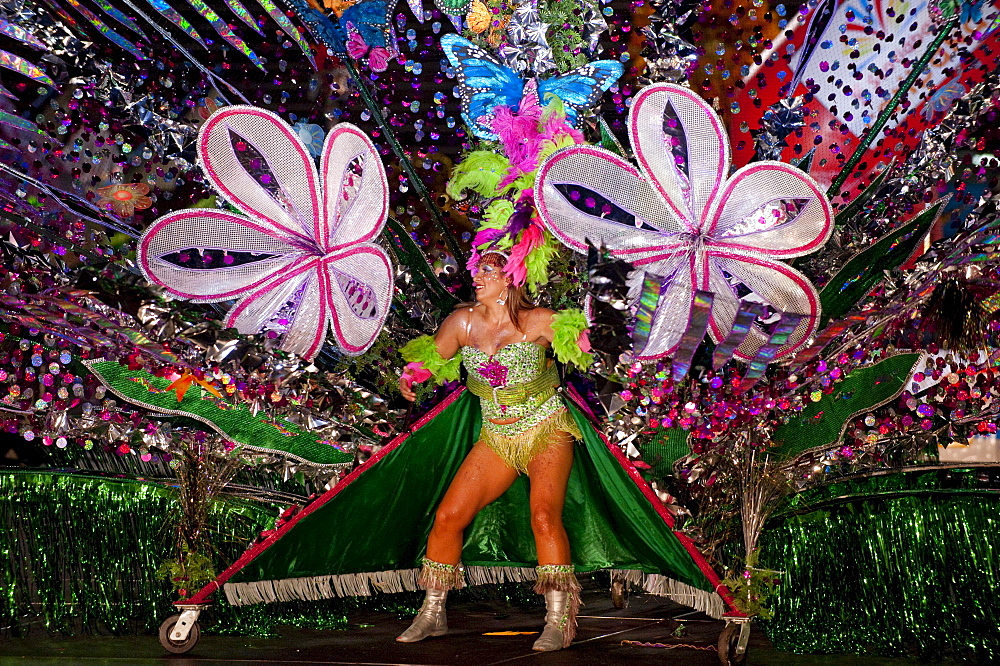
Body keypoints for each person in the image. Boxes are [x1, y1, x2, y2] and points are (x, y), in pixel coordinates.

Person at [395, 249, 591, 652]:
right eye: (476, 269)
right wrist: (411, 375)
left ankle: (559, 621)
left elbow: (587, 347)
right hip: (497, 436)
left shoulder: (538, 322)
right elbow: (432, 359)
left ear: (510, 278)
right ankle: (432, 613)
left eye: (487, 270)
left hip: (546, 428)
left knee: (543, 517)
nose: (477, 276)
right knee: (449, 516)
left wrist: (594, 337)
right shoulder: (463, 322)